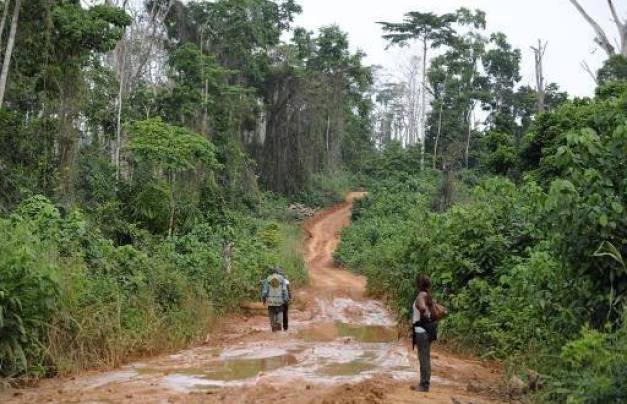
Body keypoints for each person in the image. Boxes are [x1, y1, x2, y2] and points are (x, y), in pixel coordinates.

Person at [411, 275, 437, 392]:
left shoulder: (421, 296)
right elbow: (434, 313)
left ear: (419, 285)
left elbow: (422, 308)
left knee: (423, 358)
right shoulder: (428, 296)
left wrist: (425, 315)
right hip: (427, 330)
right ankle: (424, 382)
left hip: (422, 331)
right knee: (425, 357)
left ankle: (424, 385)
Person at [261, 267, 289, 332]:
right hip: (279, 300)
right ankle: (279, 323)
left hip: (270, 301)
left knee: (271, 314)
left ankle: (273, 327)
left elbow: (265, 291)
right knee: (279, 311)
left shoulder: (268, 279)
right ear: (277, 272)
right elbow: (284, 290)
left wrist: (263, 298)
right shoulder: (282, 279)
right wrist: (285, 298)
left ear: (271, 273)